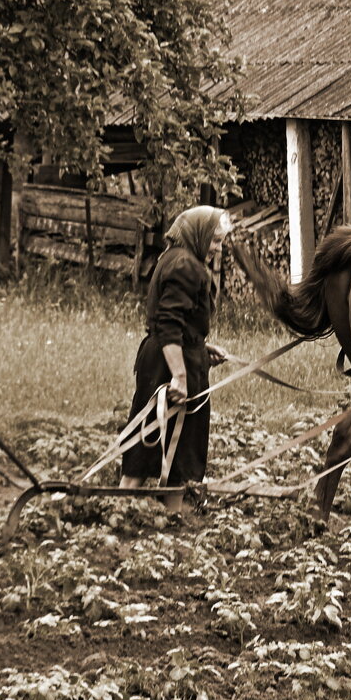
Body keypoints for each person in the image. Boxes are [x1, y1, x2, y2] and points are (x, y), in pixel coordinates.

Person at [119, 205, 230, 510]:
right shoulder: (186, 266)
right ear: (198, 234)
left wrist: (199, 345)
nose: (217, 249)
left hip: (168, 356)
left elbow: (176, 322)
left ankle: (139, 507)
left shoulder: (173, 257)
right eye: (214, 240)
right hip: (168, 366)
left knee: (164, 439)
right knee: (163, 437)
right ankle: (156, 511)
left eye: (220, 242)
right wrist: (180, 376)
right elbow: (168, 324)